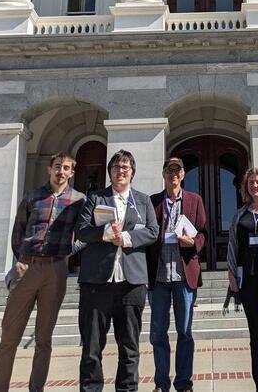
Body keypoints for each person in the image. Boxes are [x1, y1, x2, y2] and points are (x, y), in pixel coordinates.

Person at [0, 152, 85, 392]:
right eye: (57, 167)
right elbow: (18, 232)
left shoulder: (78, 200)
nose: (60, 172)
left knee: (44, 339)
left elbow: (85, 234)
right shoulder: (33, 197)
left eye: (66, 168)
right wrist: (21, 259)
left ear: (72, 173)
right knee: (9, 336)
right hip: (27, 268)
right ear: (49, 169)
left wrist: (67, 252)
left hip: (55, 270)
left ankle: (37, 388)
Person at [75, 149, 159, 392]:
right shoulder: (95, 198)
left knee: (129, 347)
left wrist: (126, 237)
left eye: (125, 168)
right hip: (96, 283)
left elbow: (153, 232)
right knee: (91, 348)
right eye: (116, 167)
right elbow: (81, 230)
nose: (120, 171)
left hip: (131, 284)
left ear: (132, 172)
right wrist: (105, 234)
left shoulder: (143, 201)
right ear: (110, 172)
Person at [147, 157, 207, 392]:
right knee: (158, 333)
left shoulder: (195, 200)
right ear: (163, 174)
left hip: (184, 275)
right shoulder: (152, 202)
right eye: (169, 170)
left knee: (185, 331)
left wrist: (192, 242)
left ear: (183, 175)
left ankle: (184, 383)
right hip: (158, 276)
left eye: (177, 170)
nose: (173, 174)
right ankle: (161, 383)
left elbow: (203, 233)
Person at [227, 167, 258, 392]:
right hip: (247, 279)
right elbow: (233, 246)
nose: (254, 186)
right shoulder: (240, 214)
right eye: (250, 183)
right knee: (256, 334)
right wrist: (231, 274)